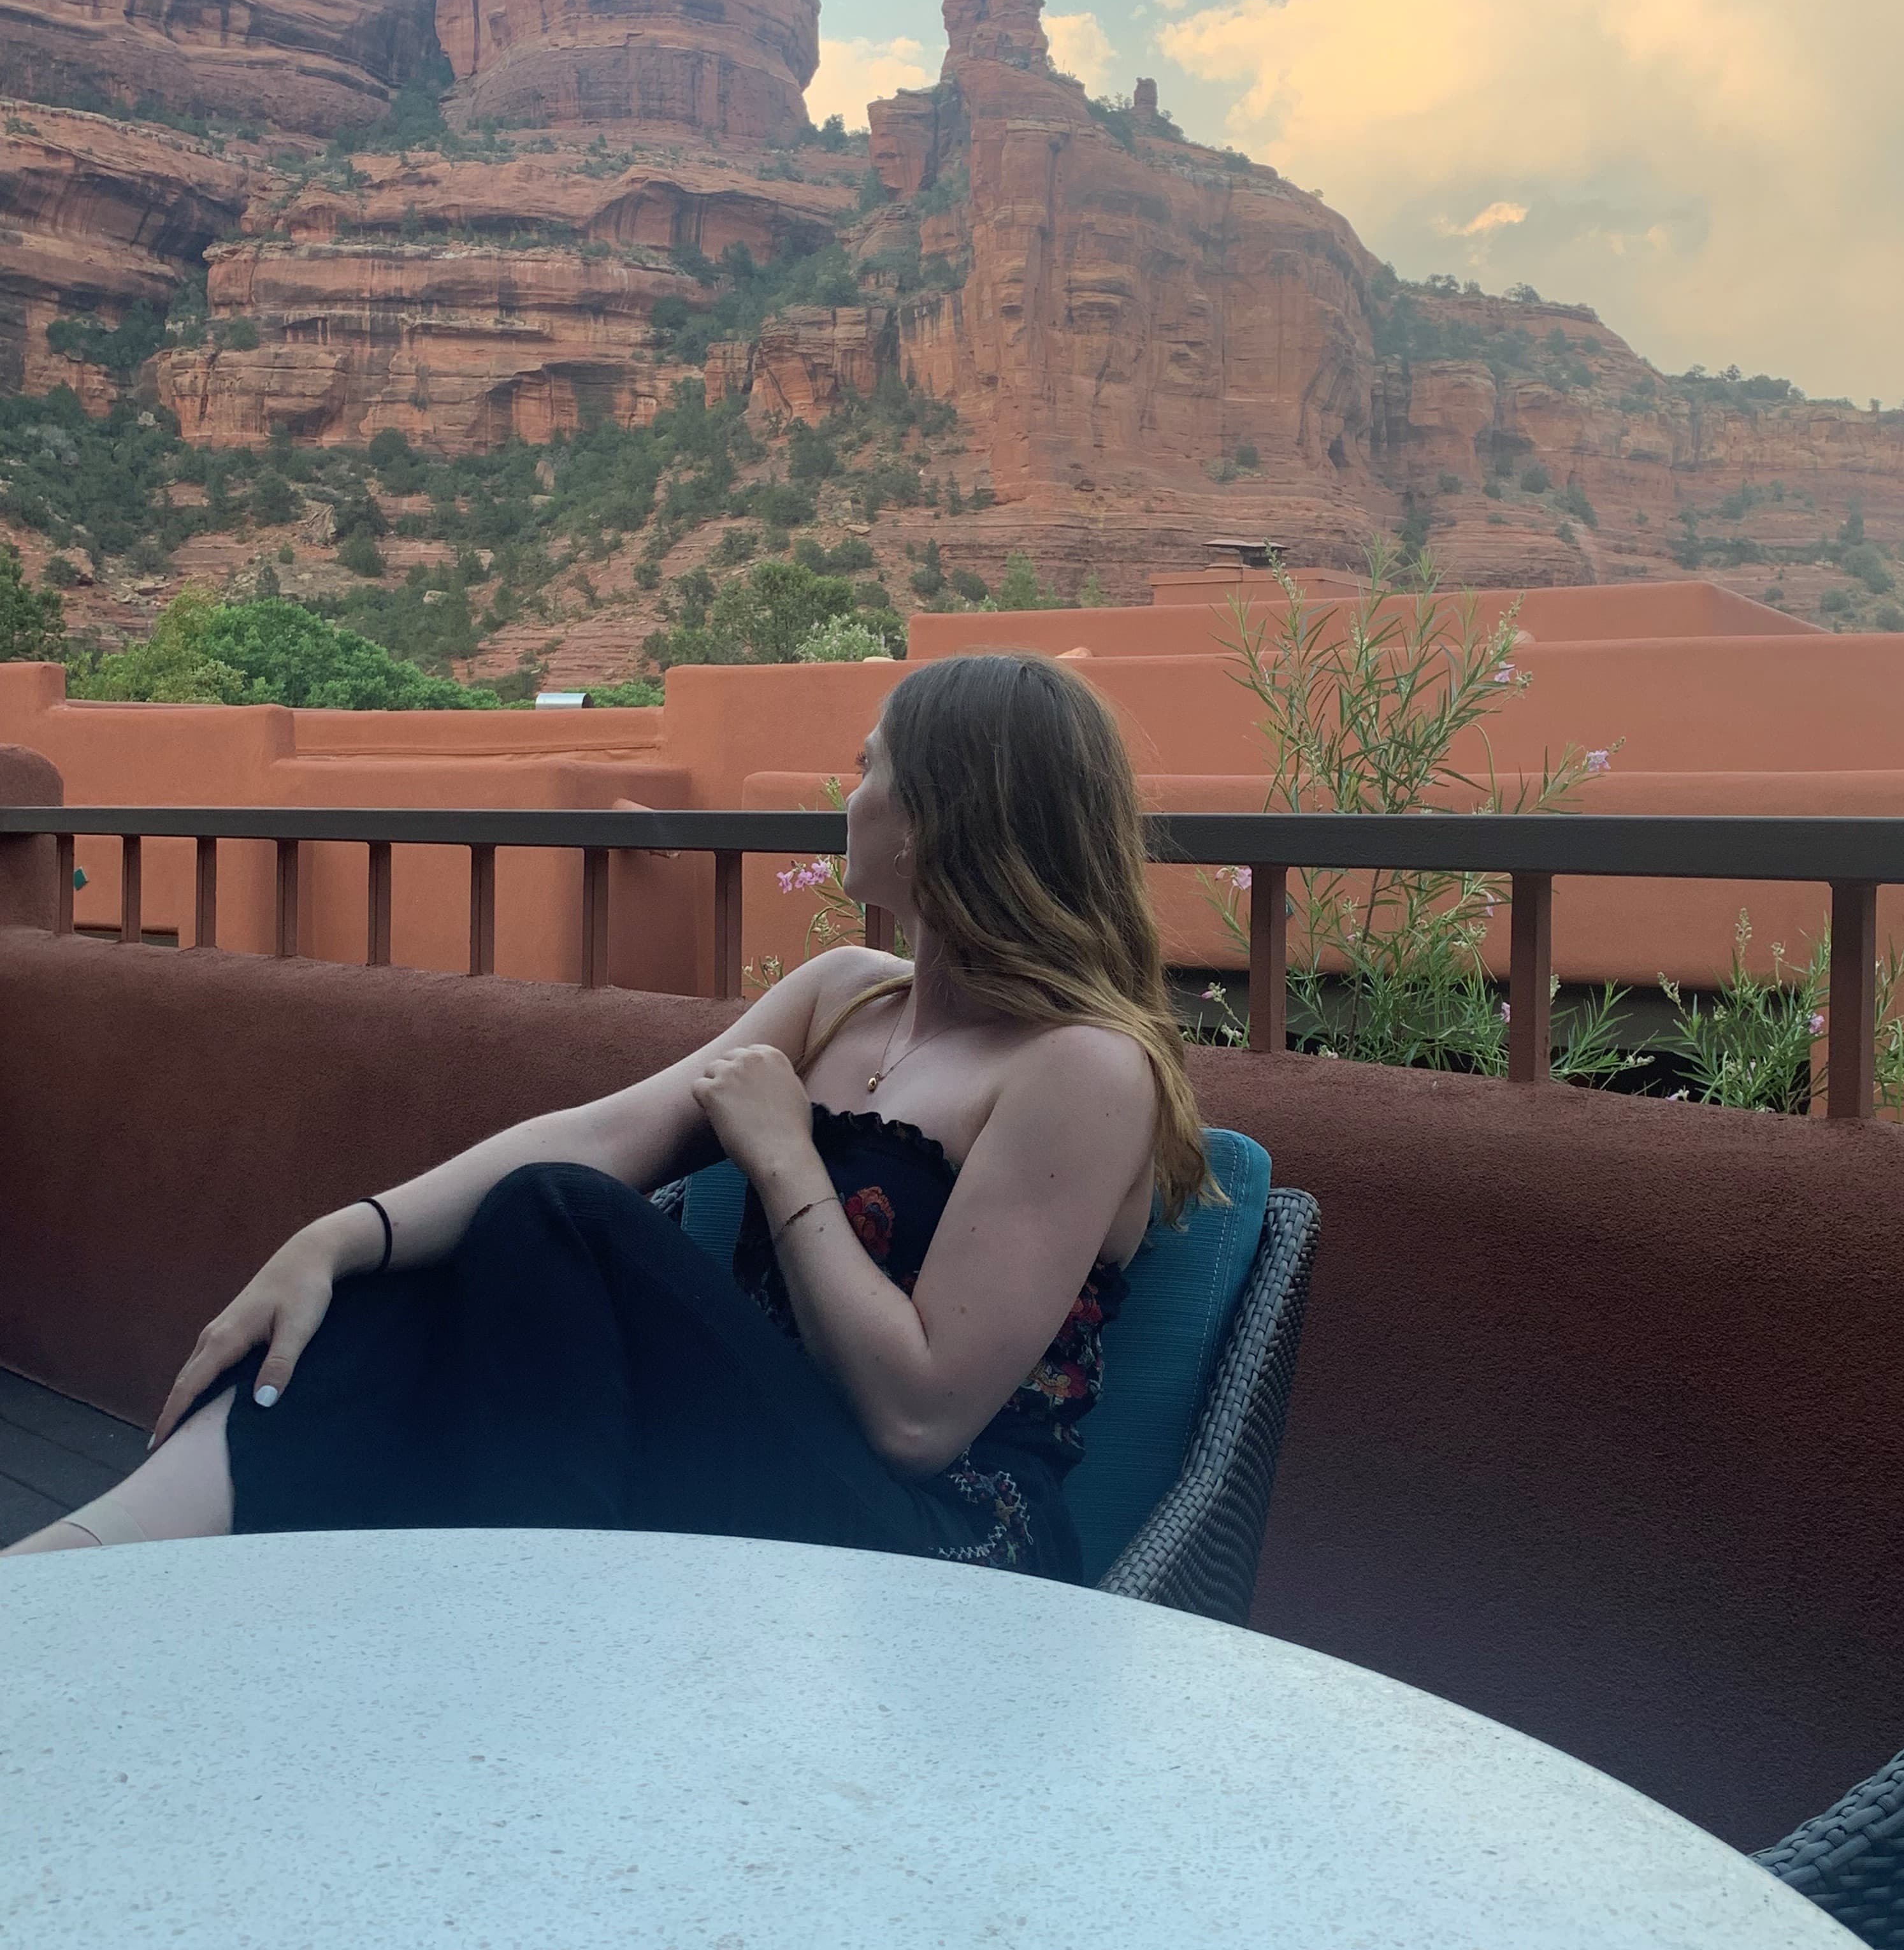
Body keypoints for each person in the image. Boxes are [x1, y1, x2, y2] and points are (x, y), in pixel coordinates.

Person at [4, 652, 1219, 1579]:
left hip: (936, 1551)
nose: (844, 796)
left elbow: (919, 1416)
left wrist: (785, 1155)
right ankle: (84, 1570)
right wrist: (341, 1233)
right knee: (411, 1281)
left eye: (869, 767)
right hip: (738, 1472)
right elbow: (602, 1133)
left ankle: (507, 1629)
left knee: (551, 1223)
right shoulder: (847, 997)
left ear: (943, 814)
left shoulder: (1082, 1070)